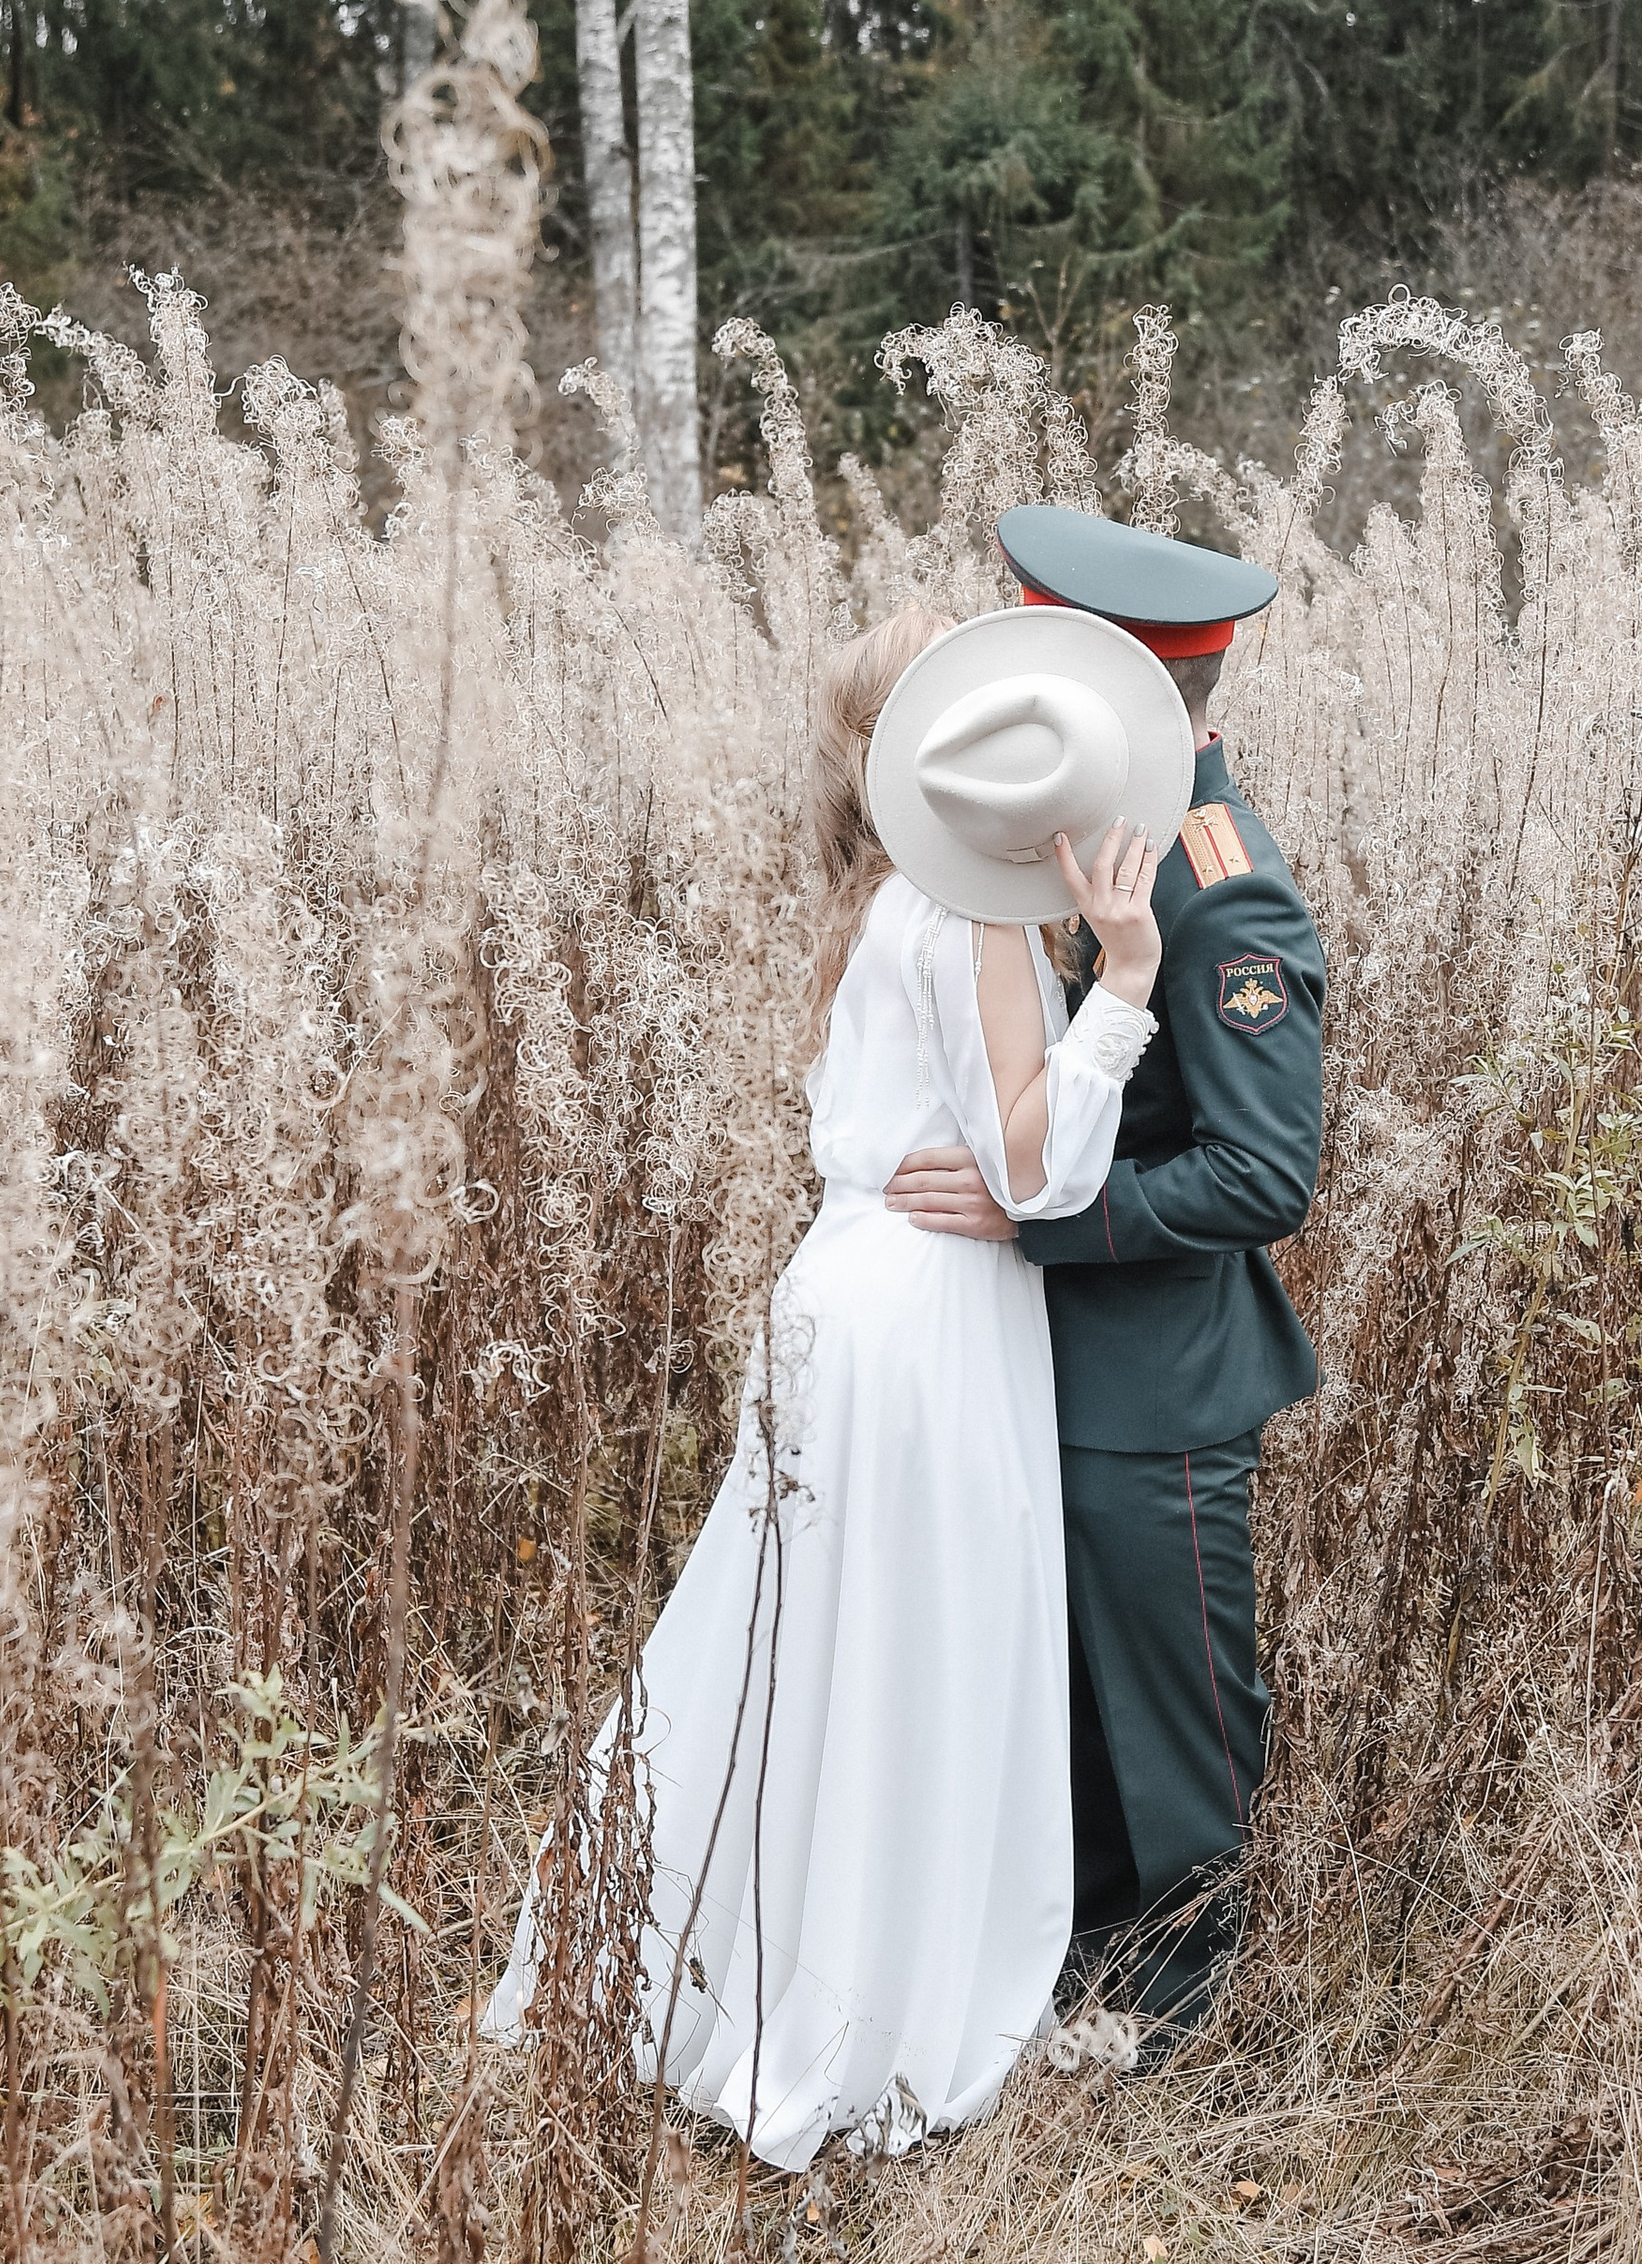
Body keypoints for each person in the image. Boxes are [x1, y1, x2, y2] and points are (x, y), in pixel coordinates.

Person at [485, 595, 1189, 2171]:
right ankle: (870, 2008)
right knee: (907, 1650)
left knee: (800, 1640)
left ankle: (708, 1963)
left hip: (849, 1291)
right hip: (929, 1319)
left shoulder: (881, 905)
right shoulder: (980, 920)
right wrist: (1128, 981)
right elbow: (1039, 1166)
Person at [886, 504, 1326, 2043]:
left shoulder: (1224, 891)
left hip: (1161, 1389)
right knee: (1071, 1703)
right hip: (1062, 1370)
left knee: (1176, 1705)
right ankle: (1084, 1986)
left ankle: (1196, 2027)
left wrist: (1038, 1218)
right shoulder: (1102, 843)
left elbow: (1265, 1174)